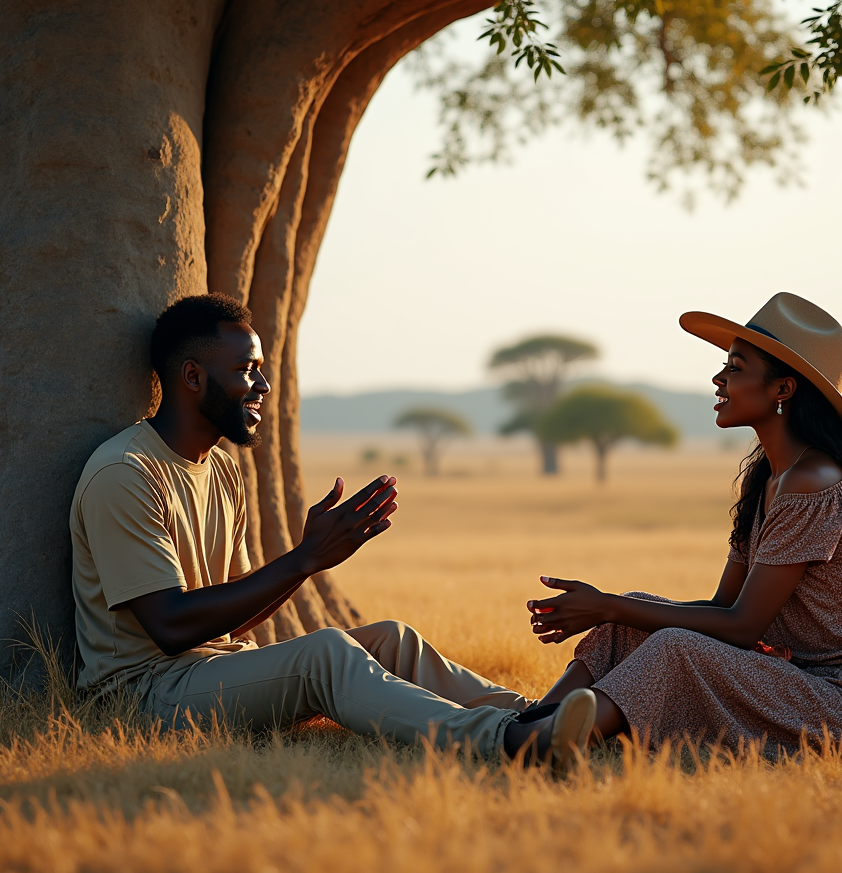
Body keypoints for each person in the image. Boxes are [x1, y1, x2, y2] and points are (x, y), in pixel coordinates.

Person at [70, 293, 596, 777]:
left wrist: (310, 562)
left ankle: (543, 717)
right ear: (192, 376)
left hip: (210, 670)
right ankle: (513, 742)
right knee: (325, 652)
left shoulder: (221, 471)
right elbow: (171, 627)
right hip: (143, 695)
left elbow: (227, 614)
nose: (263, 386)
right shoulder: (126, 473)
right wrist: (303, 559)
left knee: (391, 638)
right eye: (245, 370)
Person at [523, 292, 842, 757]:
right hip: (805, 681)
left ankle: (533, 744)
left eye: (736, 368)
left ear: (783, 390)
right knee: (636, 617)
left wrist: (608, 605)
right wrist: (617, 610)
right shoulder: (769, 480)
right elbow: (725, 606)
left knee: (671, 644)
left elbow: (740, 626)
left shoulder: (813, 481)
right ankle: (532, 722)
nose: (719, 380)